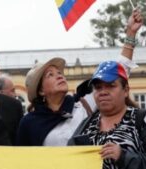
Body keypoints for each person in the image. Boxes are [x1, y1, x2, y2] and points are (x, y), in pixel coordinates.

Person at [16, 9, 142, 146]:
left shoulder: (83, 104)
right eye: (50, 75)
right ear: (40, 91)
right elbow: (23, 160)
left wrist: (130, 34)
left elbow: (118, 71)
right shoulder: (29, 123)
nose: (59, 76)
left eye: (59, 73)